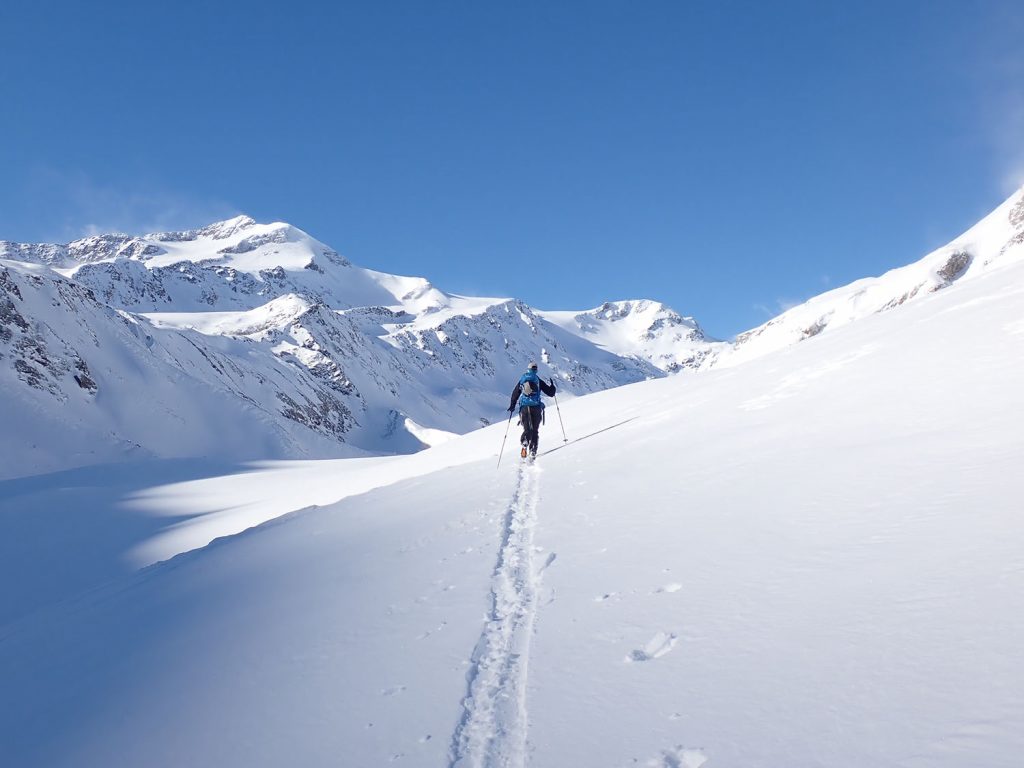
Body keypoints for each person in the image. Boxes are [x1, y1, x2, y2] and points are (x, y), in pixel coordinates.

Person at [507, 361, 557, 459]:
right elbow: (550, 393)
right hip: (536, 407)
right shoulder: (537, 380)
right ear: (536, 370)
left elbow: (515, 393)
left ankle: (525, 441)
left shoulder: (523, 379)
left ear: (528, 369)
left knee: (527, 429)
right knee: (535, 430)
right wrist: (552, 387)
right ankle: (533, 449)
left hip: (524, 408)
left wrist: (512, 405)